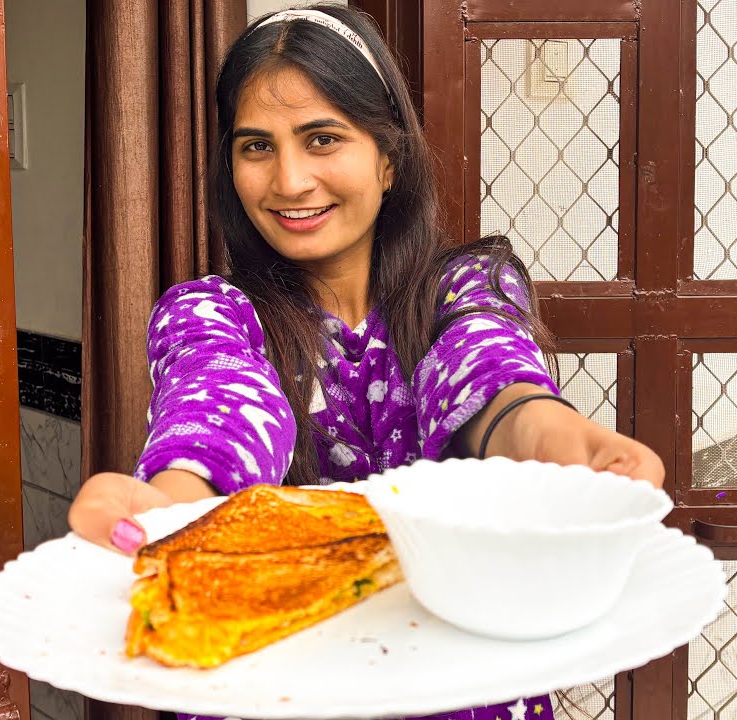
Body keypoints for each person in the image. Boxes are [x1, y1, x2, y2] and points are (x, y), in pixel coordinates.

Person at [69, 6, 665, 720]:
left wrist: (553, 439)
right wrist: (176, 500)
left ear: (388, 156)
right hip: (276, 696)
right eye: (257, 147)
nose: (290, 181)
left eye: (323, 138)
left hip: (465, 698)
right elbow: (222, 401)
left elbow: (488, 374)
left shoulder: (465, 288)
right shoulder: (212, 313)